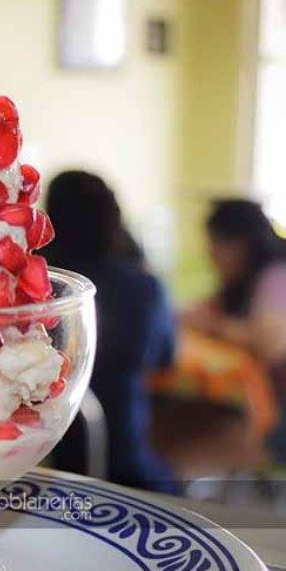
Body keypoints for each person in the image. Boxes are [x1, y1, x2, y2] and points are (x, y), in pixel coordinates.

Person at [40, 171, 178, 493]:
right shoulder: (144, 287)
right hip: (124, 459)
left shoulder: (37, 285)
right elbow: (166, 360)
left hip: (44, 453)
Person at [182, 200, 286, 466]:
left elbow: (272, 346)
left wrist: (215, 326)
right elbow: (201, 310)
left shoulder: (279, 276)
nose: (212, 259)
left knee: (186, 436)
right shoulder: (260, 276)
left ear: (239, 245)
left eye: (215, 249)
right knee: (191, 416)